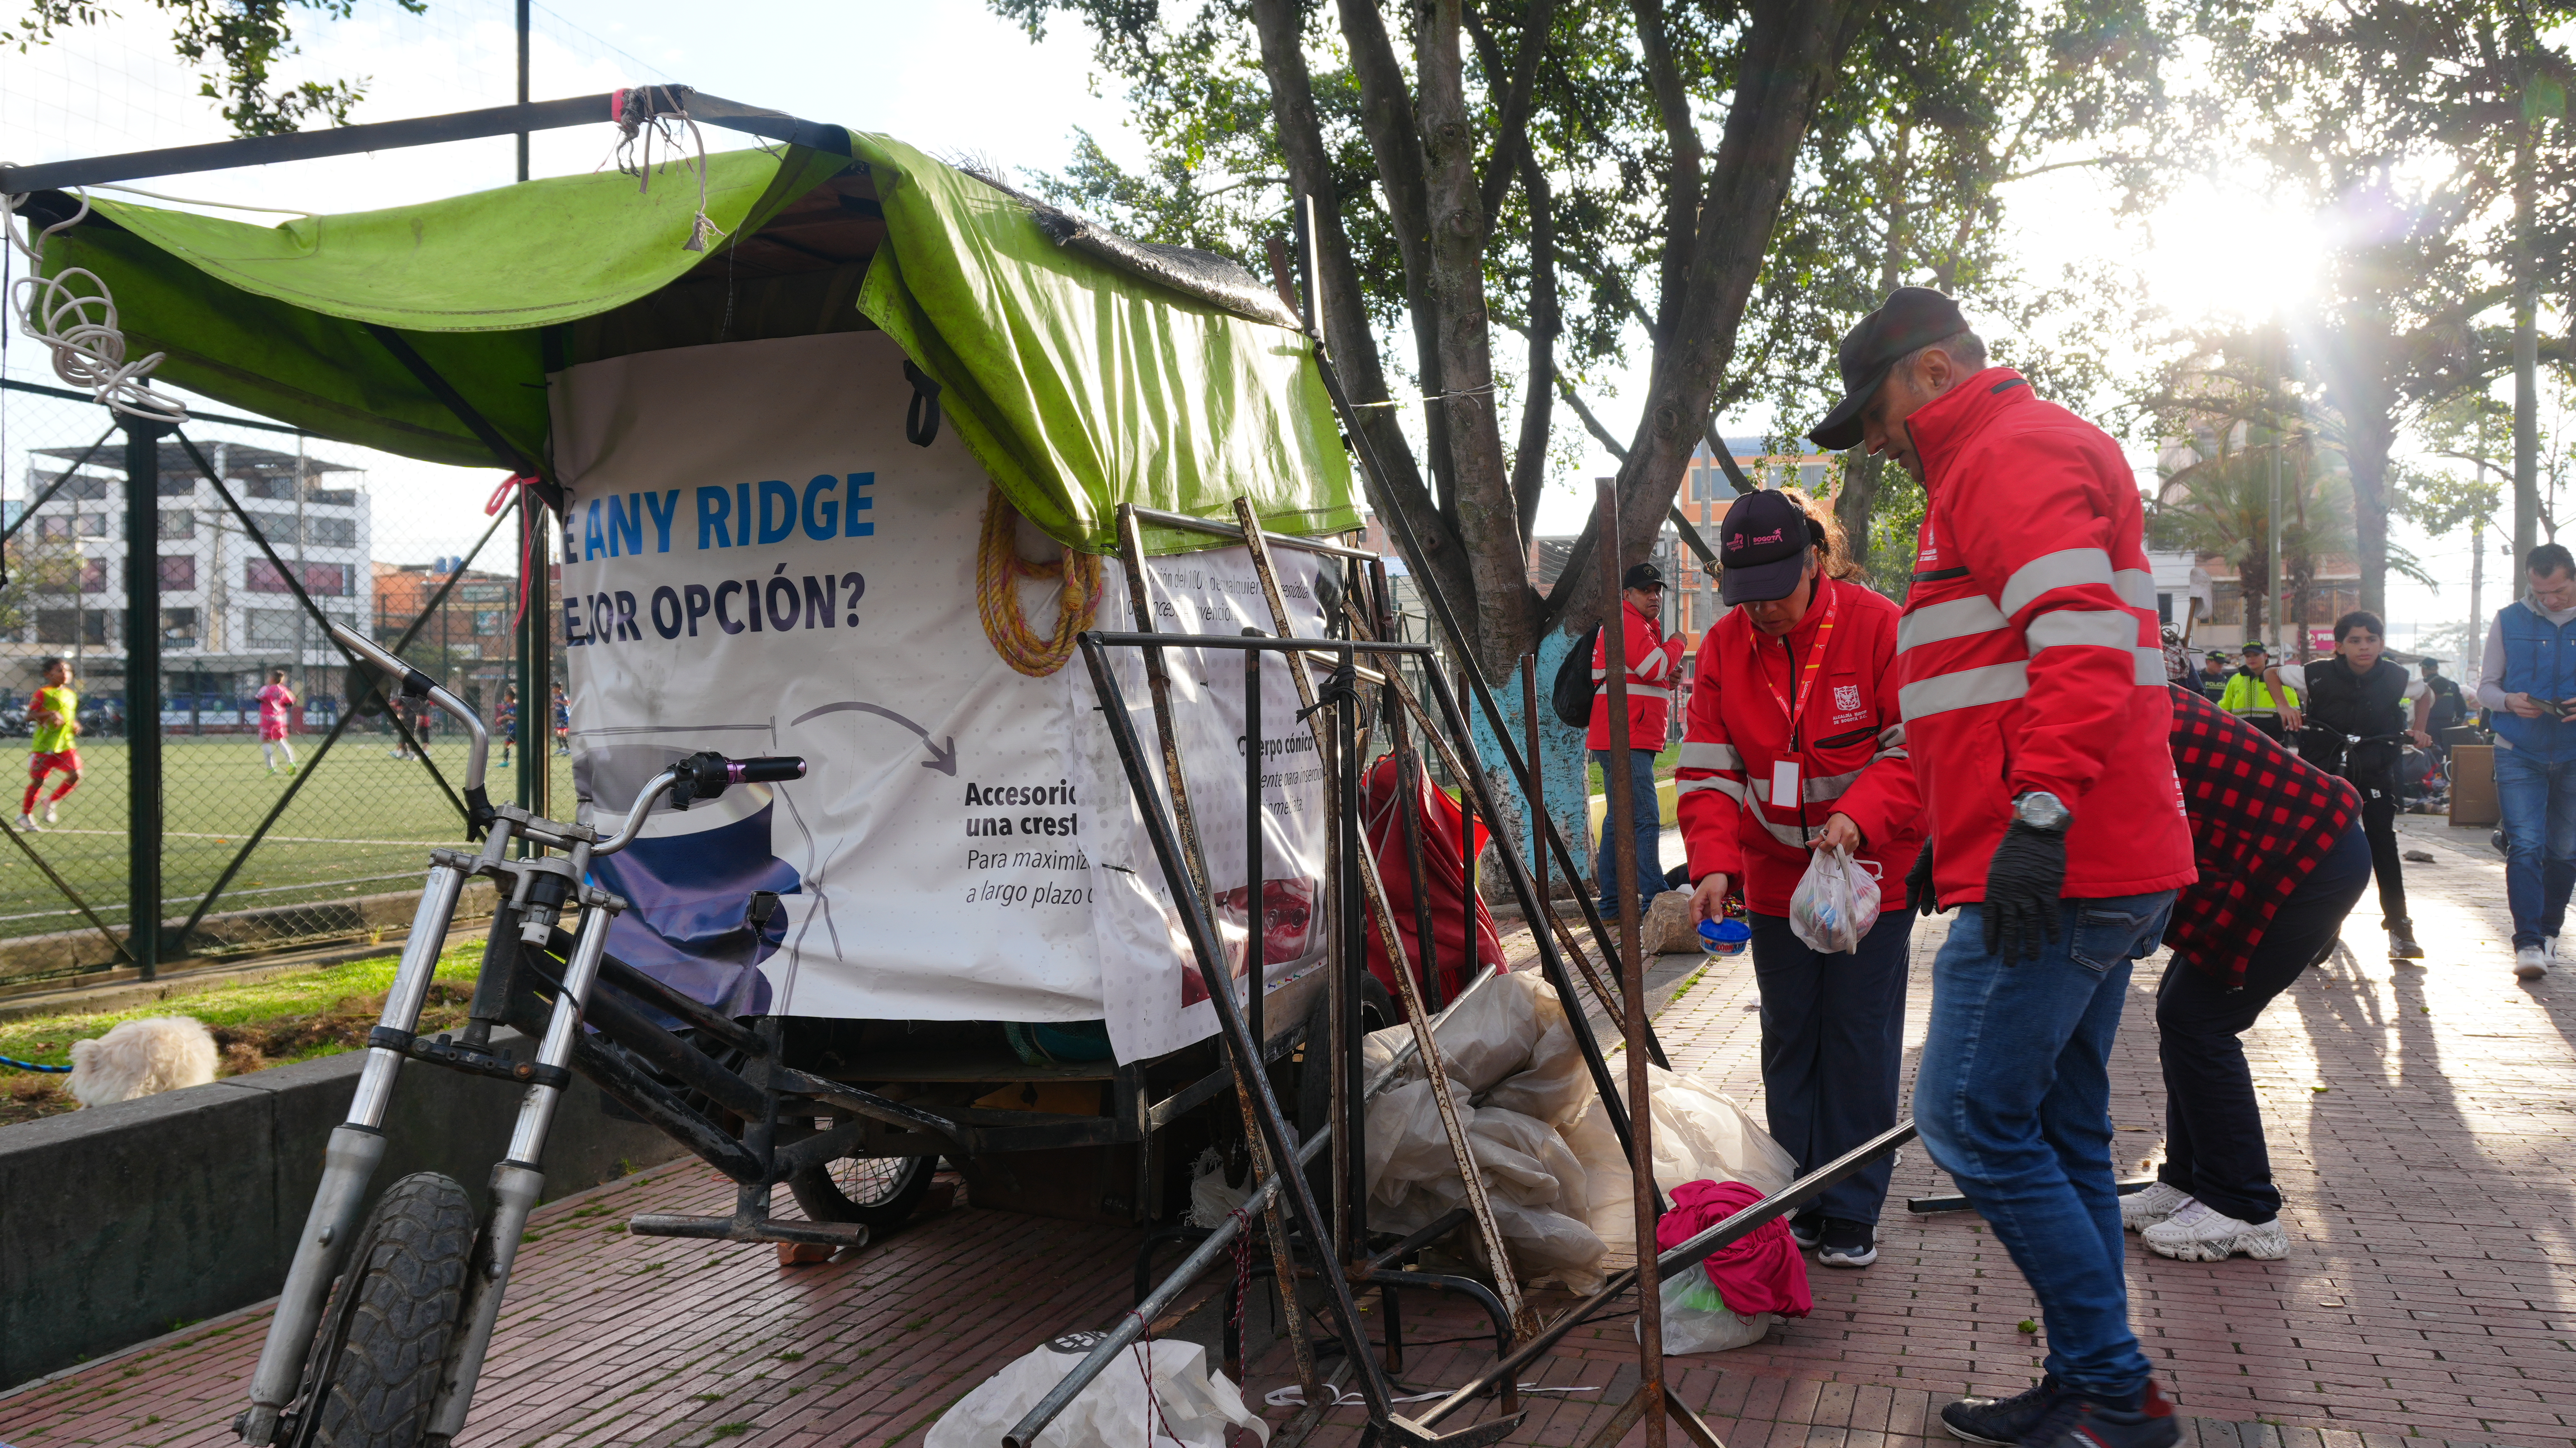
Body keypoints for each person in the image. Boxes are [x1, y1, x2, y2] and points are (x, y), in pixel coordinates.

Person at [1810, 287, 2195, 1448]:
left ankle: (2115, 1390)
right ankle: (2091, 1379)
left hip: (2061, 865)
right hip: (2074, 857)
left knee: (1971, 1121)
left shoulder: (2004, 452)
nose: (1874, 438)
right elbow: (1997, 676)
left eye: (1874, 410)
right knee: (2066, 1127)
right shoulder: (2001, 458)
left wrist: (2034, 817)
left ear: (1930, 373)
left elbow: (2077, 642)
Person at [1676, 488, 1920, 1269]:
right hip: (1777, 883)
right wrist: (1713, 865)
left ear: (1814, 562)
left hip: (1867, 880)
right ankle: (1799, 1196)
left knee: (1857, 1040)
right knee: (1789, 1042)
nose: (1762, 613)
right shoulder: (1722, 647)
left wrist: (1858, 816)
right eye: (1745, 598)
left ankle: (1851, 1205)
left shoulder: (1879, 627)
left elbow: (1912, 748)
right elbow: (1708, 768)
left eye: (1776, 592)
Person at [2122, 685, 2368, 1262]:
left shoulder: (2107, 713)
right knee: (2183, 1011)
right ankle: (2188, 1184)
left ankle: (2245, 1209)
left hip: (2310, 858)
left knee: (2201, 1020)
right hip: (2291, 851)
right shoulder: (2111, 691)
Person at [2286, 612, 2429, 958]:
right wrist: (2282, 706)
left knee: (2382, 840)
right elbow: (2274, 675)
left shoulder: (2398, 677)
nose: (2364, 647)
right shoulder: (2315, 673)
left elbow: (2426, 695)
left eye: (2371, 639)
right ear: (2339, 646)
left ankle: (2399, 926)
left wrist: (2421, 728)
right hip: (2327, 769)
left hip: (2376, 768)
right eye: (2355, 640)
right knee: (2320, 844)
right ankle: (2321, 925)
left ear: (2382, 643)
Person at [2478, 542, 2576, 979]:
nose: (2549, 601)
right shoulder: (2508, 619)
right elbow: (2485, 688)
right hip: (2518, 752)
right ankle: (2529, 944)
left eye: (2557, 591)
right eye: (2540, 593)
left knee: (2565, 850)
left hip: (2574, 753)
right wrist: (2509, 701)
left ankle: (2550, 933)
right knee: (2526, 845)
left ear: (2573, 578)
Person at [1588, 560, 1684, 918]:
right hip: (1625, 735)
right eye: (1646, 590)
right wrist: (1678, 642)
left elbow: (1646, 675)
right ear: (1627, 594)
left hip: (1624, 734)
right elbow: (1652, 667)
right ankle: (1656, 898)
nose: (1654, 596)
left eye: (1657, 590)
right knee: (1645, 818)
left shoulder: (1640, 626)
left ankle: (1612, 903)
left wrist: (1664, 679)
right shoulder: (1628, 622)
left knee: (1619, 819)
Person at [17, 658, 81, 832]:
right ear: (48, 675)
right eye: (60, 671)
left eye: (67, 670)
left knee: (75, 775)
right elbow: (29, 716)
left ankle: (51, 801)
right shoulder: (43, 693)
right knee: (38, 781)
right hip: (45, 745)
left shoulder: (71, 694)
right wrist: (50, 713)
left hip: (65, 744)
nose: (65, 674)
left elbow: (67, 716)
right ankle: (25, 815)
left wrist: (74, 724)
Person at [2217, 640, 2296, 741]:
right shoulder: (2236, 680)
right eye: (2248, 656)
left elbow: (2294, 707)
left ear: (2266, 656)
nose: (2251, 659)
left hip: (2272, 738)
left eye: (2256, 655)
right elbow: (2225, 707)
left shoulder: (2278, 679)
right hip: (2242, 735)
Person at [255, 669, 299, 776]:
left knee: (266, 742)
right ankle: (291, 763)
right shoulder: (284, 689)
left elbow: (257, 699)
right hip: (279, 718)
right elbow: (291, 702)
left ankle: (271, 768)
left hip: (267, 718)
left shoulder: (266, 688)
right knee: (281, 741)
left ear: (272, 679)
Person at [495, 684, 520, 770]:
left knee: (507, 743)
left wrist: (508, 717)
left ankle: (506, 761)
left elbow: (520, 719)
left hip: (517, 730)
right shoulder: (509, 706)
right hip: (511, 729)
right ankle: (505, 761)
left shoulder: (517, 706)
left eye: (505, 695)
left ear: (509, 696)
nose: (504, 697)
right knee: (508, 744)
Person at [552, 682, 573, 757]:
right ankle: (562, 748)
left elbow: (569, 704)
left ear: (557, 689)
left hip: (565, 717)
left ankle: (567, 749)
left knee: (563, 733)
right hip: (559, 717)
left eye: (553, 688)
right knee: (557, 732)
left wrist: (559, 701)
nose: (552, 690)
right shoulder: (557, 697)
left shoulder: (563, 696)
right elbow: (556, 706)